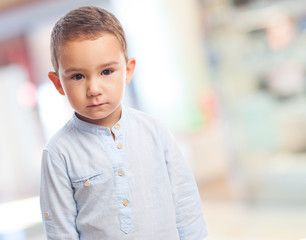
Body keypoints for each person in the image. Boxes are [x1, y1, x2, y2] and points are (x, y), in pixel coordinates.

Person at [40, 5, 208, 240]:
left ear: (128, 71)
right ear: (58, 83)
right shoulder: (59, 153)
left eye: (106, 71)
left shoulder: (154, 132)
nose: (94, 89)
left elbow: (186, 204)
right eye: (78, 76)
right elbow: (60, 230)